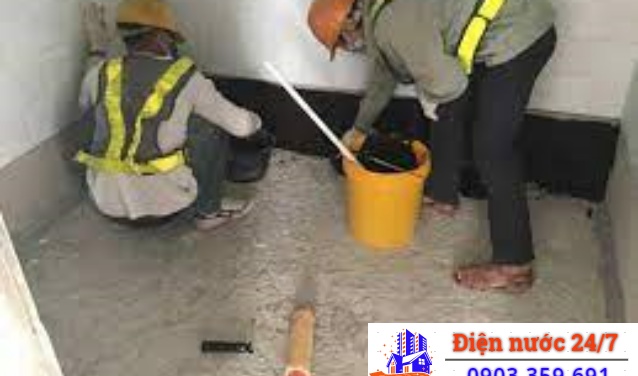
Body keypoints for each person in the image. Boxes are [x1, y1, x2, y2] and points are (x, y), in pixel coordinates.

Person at [308, 0, 556, 291]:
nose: (348, 48)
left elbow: (450, 84)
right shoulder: (382, 14)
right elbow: (384, 76)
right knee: (446, 103)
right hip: (512, 17)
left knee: (492, 149)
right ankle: (443, 194)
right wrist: (359, 128)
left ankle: (514, 266)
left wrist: (431, 99)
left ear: (350, 21)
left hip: (520, 33)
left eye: (342, 41)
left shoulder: (391, 24)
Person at [77, 0, 264, 230]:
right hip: (164, 209)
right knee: (207, 125)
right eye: (171, 39)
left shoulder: (100, 72)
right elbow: (242, 126)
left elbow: (84, 106)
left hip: (106, 204)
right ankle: (208, 213)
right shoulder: (186, 78)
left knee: (107, 113)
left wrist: (97, 47)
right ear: (160, 37)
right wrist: (257, 124)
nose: (172, 46)